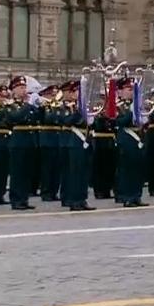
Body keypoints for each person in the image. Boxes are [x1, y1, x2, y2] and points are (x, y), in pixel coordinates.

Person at [59, 80, 95, 211]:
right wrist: (79, 112)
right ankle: (73, 200)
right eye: (77, 91)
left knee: (84, 172)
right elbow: (66, 121)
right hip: (73, 141)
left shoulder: (84, 107)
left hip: (85, 140)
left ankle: (82, 198)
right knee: (74, 172)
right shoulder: (65, 106)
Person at [6, 75, 40, 211]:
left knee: (27, 172)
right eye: (20, 87)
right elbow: (15, 117)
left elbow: (39, 118)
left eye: (24, 87)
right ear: (13, 90)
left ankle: (24, 198)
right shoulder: (10, 105)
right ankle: (16, 199)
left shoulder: (29, 105)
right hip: (18, 141)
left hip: (29, 141)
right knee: (17, 172)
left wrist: (38, 107)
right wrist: (29, 105)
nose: (24, 90)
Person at [115, 77, 148, 207]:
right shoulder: (119, 106)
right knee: (126, 170)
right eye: (129, 89)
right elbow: (119, 122)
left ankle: (136, 195)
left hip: (138, 139)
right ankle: (127, 196)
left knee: (138, 169)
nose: (131, 91)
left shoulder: (138, 104)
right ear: (121, 91)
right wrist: (131, 112)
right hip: (127, 138)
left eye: (133, 89)